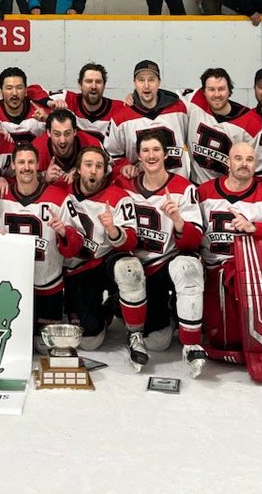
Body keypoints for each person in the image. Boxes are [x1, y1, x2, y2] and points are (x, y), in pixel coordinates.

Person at [110, 129, 205, 372]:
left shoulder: (184, 188)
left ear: (165, 155)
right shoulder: (122, 185)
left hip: (163, 265)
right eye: (145, 150)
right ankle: (134, 334)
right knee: (127, 268)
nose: (151, 155)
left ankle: (191, 343)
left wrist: (178, 220)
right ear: (138, 156)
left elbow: (193, 241)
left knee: (188, 267)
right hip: (134, 264)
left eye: (156, 150)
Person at [195, 140, 262, 366]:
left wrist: (255, 228)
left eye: (249, 159)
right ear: (228, 162)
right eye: (238, 158)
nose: (244, 164)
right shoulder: (204, 192)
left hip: (251, 274)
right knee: (218, 336)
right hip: (212, 271)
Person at [0, 143, 72, 345]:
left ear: (39, 165)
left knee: (44, 347)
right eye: (21, 162)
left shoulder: (59, 197)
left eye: (31, 162)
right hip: (9, 287)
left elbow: (75, 243)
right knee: (10, 344)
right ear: (13, 165)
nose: (26, 167)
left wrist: (65, 233)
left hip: (47, 285)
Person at [53, 147, 136, 349]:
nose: (93, 170)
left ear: (106, 170)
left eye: (98, 166)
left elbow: (131, 241)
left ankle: (123, 310)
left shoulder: (118, 197)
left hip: (103, 262)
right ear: (78, 169)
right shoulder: (60, 190)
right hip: (75, 269)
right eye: (88, 165)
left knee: (130, 268)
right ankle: (102, 311)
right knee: (90, 341)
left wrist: (112, 229)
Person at [104, 59, 192, 181]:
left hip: (178, 189)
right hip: (139, 191)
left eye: (151, 79)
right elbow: (112, 156)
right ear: (134, 83)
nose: (146, 85)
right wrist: (124, 167)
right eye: (141, 80)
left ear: (159, 82)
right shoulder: (121, 118)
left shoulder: (180, 109)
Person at [181, 67, 259, 185]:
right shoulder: (193, 100)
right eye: (211, 89)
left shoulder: (250, 122)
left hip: (229, 192)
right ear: (204, 92)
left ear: (229, 90)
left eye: (221, 89)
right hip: (196, 187)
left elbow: (258, 171)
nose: (217, 94)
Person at [48, 62, 119, 140]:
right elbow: (35, 92)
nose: (94, 86)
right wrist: (48, 104)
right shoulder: (67, 99)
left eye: (98, 82)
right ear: (80, 85)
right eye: (89, 81)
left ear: (104, 85)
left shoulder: (119, 108)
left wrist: (132, 98)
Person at [32, 108, 101, 182]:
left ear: (74, 131)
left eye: (67, 133)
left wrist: (83, 173)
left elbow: (108, 170)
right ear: (48, 132)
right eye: (57, 134)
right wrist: (45, 178)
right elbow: (23, 180)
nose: (62, 140)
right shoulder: (36, 149)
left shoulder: (91, 145)